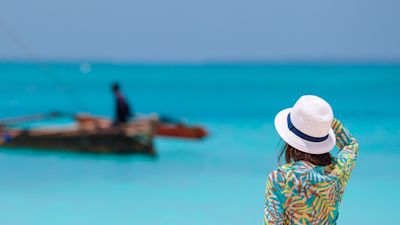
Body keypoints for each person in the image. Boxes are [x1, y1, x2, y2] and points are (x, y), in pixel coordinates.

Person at [264, 95, 358, 224]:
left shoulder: (281, 178)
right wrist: (323, 123)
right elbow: (350, 145)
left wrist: (311, 121)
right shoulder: (338, 171)